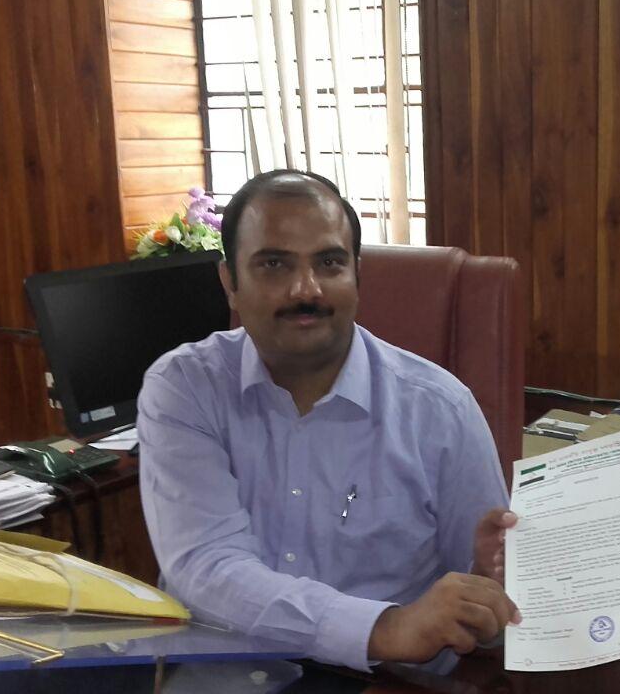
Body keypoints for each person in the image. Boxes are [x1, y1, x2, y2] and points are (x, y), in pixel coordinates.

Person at [137, 169, 518, 673]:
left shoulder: (441, 409)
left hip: (385, 683)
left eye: (329, 263)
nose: (306, 288)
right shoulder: (185, 387)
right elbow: (206, 567)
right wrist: (384, 628)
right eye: (274, 264)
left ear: (356, 275)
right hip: (225, 672)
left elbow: (488, 595)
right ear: (230, 282)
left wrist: (492, 590)